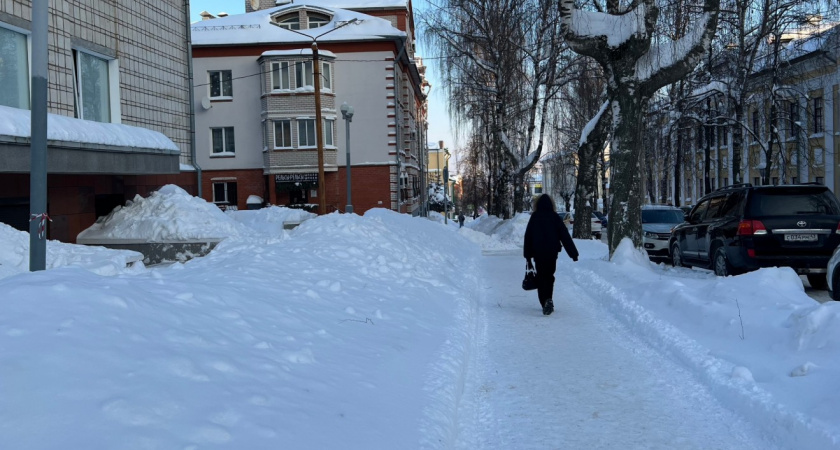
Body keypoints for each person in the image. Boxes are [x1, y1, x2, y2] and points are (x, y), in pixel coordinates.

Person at [523, 194, 579, 315]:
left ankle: (544, 302)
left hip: (538, 253)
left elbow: (528, 236)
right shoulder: (555, 217)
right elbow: (565, 236)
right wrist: (573, 253)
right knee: (549, 276)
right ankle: (549, 299)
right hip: (552, 253)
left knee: (541, 276)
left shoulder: (535, 217)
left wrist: (527, 255)